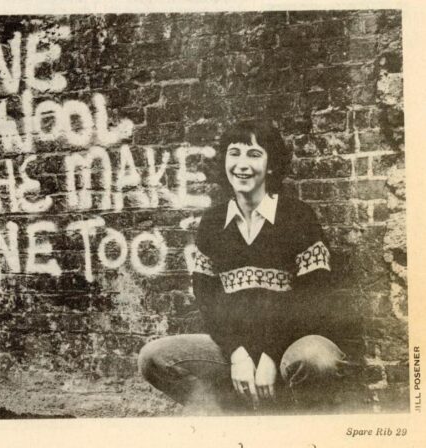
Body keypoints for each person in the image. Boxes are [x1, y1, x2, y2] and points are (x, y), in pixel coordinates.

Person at [137, 120, 348, 415]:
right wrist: (237, 354)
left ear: (271, 165)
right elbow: (209, 302)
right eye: (234, 153)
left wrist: (270, 356)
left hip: (292, 344)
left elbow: (314, 300)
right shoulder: (212, 223)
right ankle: (232, 415)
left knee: (317, 359)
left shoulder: (298, 216)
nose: (242, 165)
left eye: (254, 154)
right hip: (234, 349)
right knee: (154, 357)